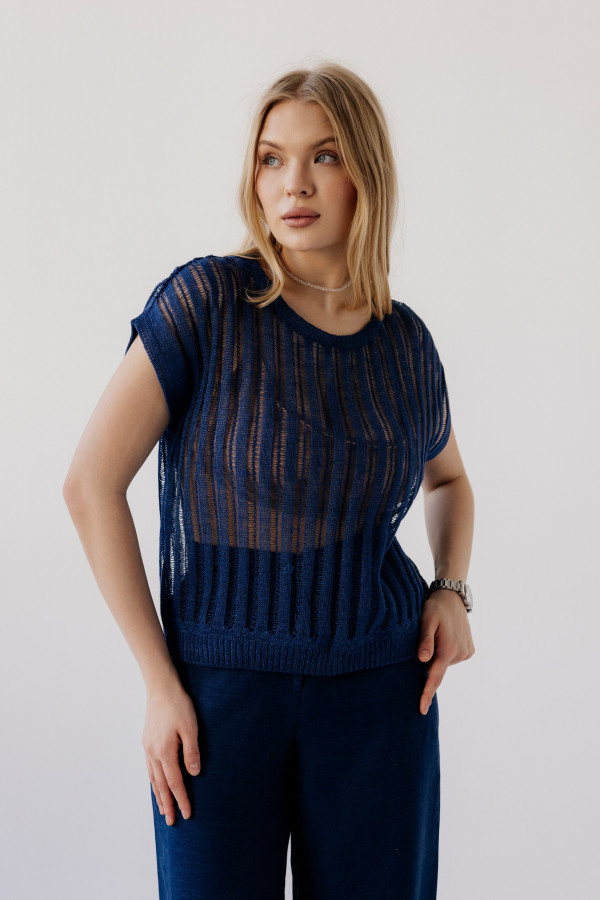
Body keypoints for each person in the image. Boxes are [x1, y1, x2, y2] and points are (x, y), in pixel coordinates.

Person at [63, 61, 475, 900]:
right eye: (271, 158)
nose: (294, 183)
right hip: (218, 700)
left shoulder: (405, 345)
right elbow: (90, 484)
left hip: (380, 693)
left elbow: (450, 482)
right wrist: (159, 684)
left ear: (366, 172)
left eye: (324, 155)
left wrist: (451, 589)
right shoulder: (207, 304)